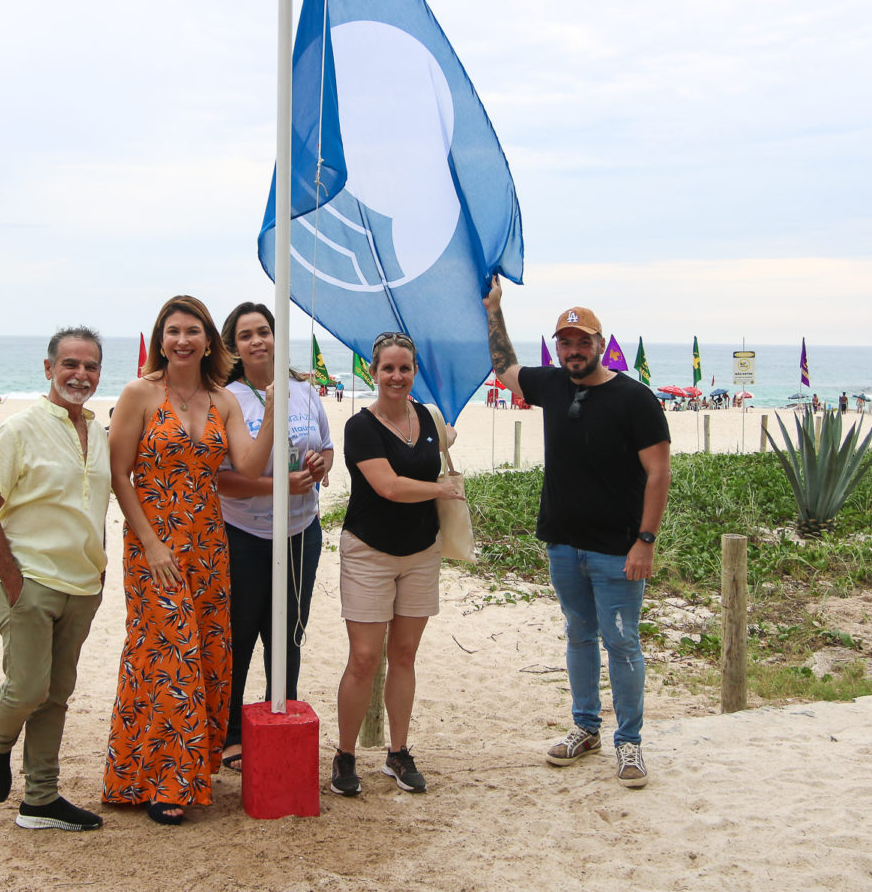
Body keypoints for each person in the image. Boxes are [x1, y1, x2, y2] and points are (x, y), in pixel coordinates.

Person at [484, 279, 670, 789]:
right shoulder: (551, 385)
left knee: (623, 642)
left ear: (600, 344)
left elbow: (659, 473)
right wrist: (494, 309)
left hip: (618, 550)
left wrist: (645, 542)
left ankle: (628, 742)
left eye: (582, 341)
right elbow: (503, 368)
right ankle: (585, 727)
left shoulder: (635, 399)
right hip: (563, 545)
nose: (572, 350)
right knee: (578, 635)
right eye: (565, 342)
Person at [102, 295, 276, 826]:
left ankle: (158, 772)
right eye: (173, 331)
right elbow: (118, 474)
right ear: (161, 338)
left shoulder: (223, 399)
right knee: (165, 652)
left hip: (208, 543)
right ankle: (170, 785)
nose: (182, 340)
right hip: (154, 544)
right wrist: (151, 543)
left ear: (208, 341)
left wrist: (273, 404)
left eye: (193, 331)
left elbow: (247, 464)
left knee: (202, 654)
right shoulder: (139, 393)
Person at [0, 327, 111, 833]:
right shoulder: (20, 429)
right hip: (30, 583)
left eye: (90, 366)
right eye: (70, 364)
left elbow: (96, 506)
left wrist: (101, 565)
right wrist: (13, 582)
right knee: (28, 687)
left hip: (83, 587)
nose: (81, 374)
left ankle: (40, 800)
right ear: (48, 368)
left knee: (57, 693)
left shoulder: (99, 434)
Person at [329, 332, 463, 798]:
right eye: (388, 368)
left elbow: (443, 440)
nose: (396, 376)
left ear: (414, 372)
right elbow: (388, 485)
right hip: (369, 551)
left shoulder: (427, 416)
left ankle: (397, 752)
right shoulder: (359, 426)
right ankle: (345, 754)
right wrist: (441, 490)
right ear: (373, 371)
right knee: (365, 658)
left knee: (405, 655)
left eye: (405, 368)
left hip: (421, 552)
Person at [215, 303, 333, 773]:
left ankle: (278, 720)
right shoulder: (226, 398)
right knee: (241, 634)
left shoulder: (303, 390)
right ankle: (231, 735)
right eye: (247, 335)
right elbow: (221, 478)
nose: (258, 341)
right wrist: (275, 486)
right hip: (244, 533)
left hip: (301, 533)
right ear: (234, 346)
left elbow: (324, 446)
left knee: (288, 636)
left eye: (264, 332)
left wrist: (322, 464)